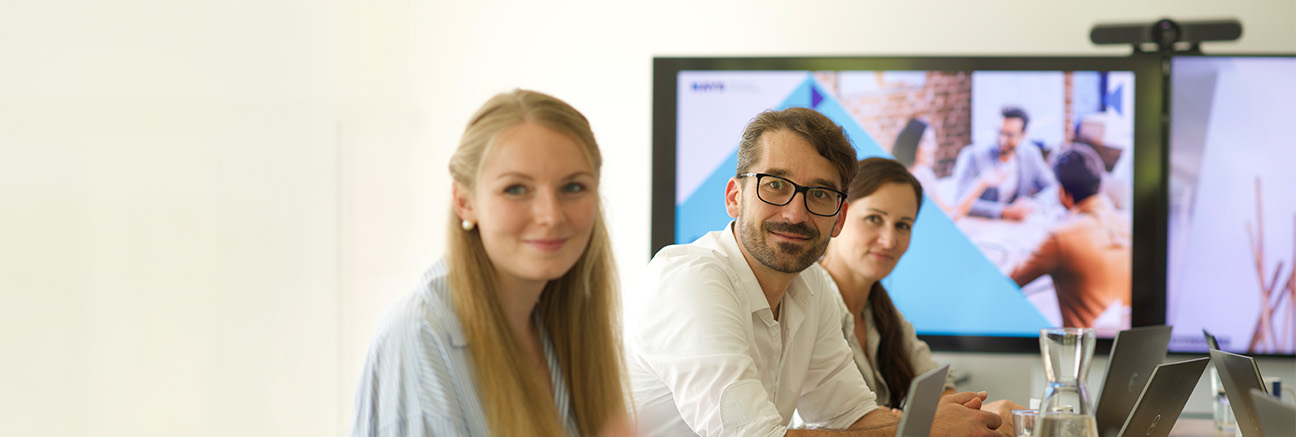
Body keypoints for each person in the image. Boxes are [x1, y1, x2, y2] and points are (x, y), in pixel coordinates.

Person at [624, 107, 1003, 436]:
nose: (795, 213)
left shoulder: (811, 285)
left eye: (820, 193)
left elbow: (851, 416)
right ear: (734, 197)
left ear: (838, 219)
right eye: (775, 185)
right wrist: (919, 431)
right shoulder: (690, 279)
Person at [352, 89, 629, 436]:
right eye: (516, 189)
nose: (550, 215)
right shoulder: (422, 337)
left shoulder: (555, 325)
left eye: (572, 187)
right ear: (464, 201)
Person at [819, 157, 1024, 434]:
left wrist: (982, 413)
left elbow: (940, 390)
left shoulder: (882, 312)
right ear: (838, 216)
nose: (889, 240)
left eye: (903, 225)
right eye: (873, 219)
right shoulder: (806, 304)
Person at [1009, 147, 1132, 330]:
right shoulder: (1129, 224)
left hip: (1080, 353)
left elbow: (1008, 284)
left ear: (1062, 192)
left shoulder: (1061, 238)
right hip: (1123, 344)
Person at [950, 106, 1057, 221]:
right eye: (999, 132)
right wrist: (1004, 211)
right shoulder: (973, 156)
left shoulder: (1030, 154)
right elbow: (959, 202)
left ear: (1023, 135)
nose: (1002, 139)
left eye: (1009, 135)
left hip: (1014, 226)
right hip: (981, 224)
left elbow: (1052, 188)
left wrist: (1031, 204)